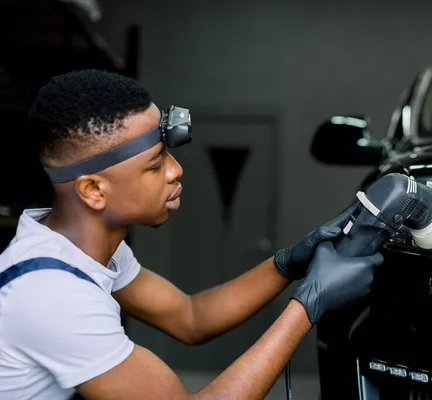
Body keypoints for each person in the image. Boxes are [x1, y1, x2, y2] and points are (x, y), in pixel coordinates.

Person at [0, 69, 384, 400]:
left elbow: (190, 316)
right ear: (93, 190)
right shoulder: (51, 294)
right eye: (154, 166)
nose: (175, 170)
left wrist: (287, 263)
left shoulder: (85, 249)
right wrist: (308, 306)